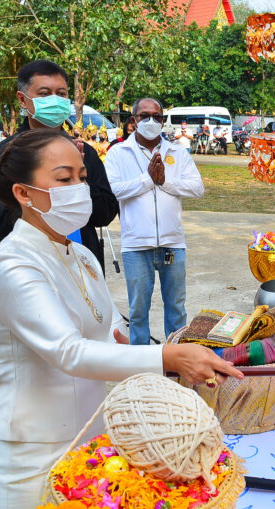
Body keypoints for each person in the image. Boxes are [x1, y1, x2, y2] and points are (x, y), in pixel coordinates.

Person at [0, 128, 241, 508]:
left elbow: (110, 330)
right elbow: (68, 351)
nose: (79, 189)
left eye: (82, 178)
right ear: (23, 193)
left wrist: (173, 349)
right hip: (30, 452)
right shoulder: (12, 264)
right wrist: (166, 359)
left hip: (92, 440)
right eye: (63, 178)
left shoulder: (82, 256)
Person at [0, 59, 118, 273]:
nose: (55, 100)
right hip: (33, 265)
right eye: (45, 94)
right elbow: (7, 219)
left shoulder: (85, 153)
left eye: (62, 94)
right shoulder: (3, 156)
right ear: (23, 100)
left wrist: (79, 179)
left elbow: (105, 215)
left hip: (84, 264)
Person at [104, 98, 205, 345]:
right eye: (144, 116)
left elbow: (197, 188)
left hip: (172, 243)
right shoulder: (119, 152)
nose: (151, 121)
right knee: (138, 310)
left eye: (157, 116)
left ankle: (176, 359)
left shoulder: (177, 152)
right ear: (133, 121)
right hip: (137, 245)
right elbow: (114, 190)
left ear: (163, 120)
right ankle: (142, 362)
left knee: (176, 308)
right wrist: (148, 180)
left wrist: (165, 182)